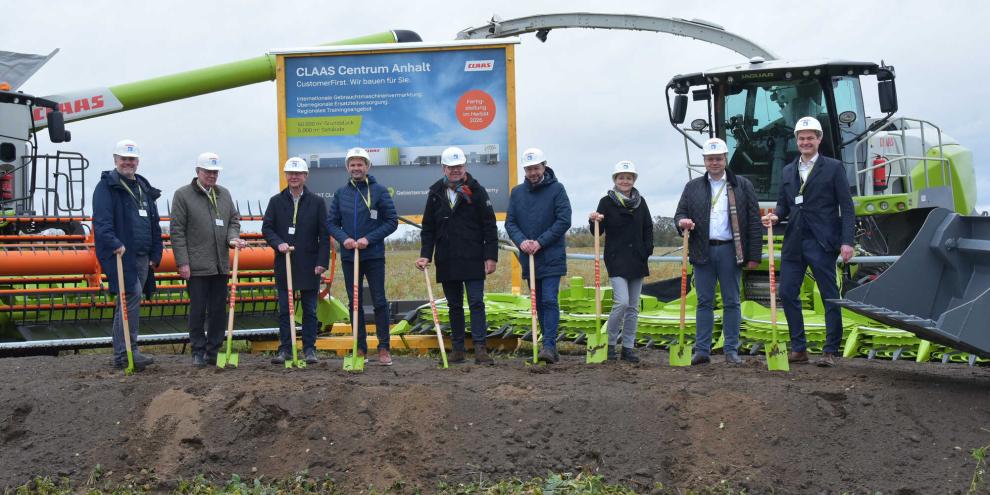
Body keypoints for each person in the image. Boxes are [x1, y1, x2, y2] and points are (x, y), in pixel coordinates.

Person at [762, 117, 855, 368]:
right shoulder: (787, 170)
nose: (805, 142)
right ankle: (799, 348)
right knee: (787, 293)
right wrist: (776, 215)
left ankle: (830, 350)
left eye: (810, 138)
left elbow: (846, 207)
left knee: (829, 296)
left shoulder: (834, 168)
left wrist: (847, 241)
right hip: (794, 241)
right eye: (802, 138)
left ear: (819, 140)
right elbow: (785, 203)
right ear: (797, 141)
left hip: (822, 241)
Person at [674, 138, 763, 365]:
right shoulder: (692, 187)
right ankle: (702, 350)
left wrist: (754, 255)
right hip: (702, 250)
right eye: (710, 159)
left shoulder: (743, 185)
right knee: (704, 301)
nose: (714, 162)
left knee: (731, 301)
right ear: (704, 161)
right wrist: (682, 222)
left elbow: (754, 222)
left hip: (730, 251)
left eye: (718, 158)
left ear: (725, 159)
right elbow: (680, 214)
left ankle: (731, 350)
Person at [415, 146, 498, 365]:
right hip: (447, 258)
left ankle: (480, 349)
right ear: (444, 168)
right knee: (454, 306)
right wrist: (426, 255)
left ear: (465, 167)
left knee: (476, 302)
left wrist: (491, 256)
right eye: (451, 167)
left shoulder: (477, 190)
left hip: (473, 257)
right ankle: (458, 349)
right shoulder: (435, 193)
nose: (455, 171)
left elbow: (489, 225)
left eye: (459, 166)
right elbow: (428, 228)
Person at [169, 152, 246, 367]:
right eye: (208, 172)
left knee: (218, 309)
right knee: (198, 309)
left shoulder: (224, 194)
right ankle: (197, 350)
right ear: (198, 172)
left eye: (215, 172)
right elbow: (176, 231)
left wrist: (233, 238)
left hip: (220, 263)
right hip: (196, 265)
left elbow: (233, 220)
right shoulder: (183, 195)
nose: (212, 176)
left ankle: (214, 350)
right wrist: (182, 262)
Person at [92, 139, 163, 371]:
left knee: (129, 303)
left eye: (132, 159)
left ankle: (126, 352)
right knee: (129, 300)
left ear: (138, 161)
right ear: (115, 160)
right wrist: (115, 243)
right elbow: (101, 223)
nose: (128, 162)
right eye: (124, 158)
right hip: (121, 255)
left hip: (143, 255)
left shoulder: (143, 186)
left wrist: (156, 252)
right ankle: (126, 353)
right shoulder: (107, 187)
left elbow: (153, 222)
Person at [328, 147, 398, 365]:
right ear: (347, 168)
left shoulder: (379, 191)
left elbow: (391, 221)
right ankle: (360, 349)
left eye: (360, 164)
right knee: (354, 303)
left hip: (374, 255)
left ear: (367, 167)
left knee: (378, 301)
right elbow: (331, 223)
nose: (356, 168)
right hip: (351, 257)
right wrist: (344, 239)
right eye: (352, 164)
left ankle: (384, 348)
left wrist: (370, 239)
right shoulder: (341, 193)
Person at [505, 147, 572, 364]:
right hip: (529, 257)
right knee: (538, 303)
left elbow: (564, 220)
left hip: (551, 255)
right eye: (529, 169)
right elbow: (510, 222)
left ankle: (550, 345)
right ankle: (546, 343)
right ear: (524, 170)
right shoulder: (517, 193)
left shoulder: (557, 189)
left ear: (544, 166)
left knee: (549, 299)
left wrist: (540, 242)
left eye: (536, 167)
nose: (533, 172)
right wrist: (522, 241)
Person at [262, 157, 330, 365]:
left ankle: (309, 349)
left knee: (309, 310)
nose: (294, 177)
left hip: (310, 265)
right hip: (285, 264)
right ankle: (286, 349)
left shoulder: (317, 202)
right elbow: (267, 229)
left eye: (298, 173)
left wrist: (322, 262)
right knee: (285, 310)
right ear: (285, 176)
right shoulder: (275, 201)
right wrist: (278, 243)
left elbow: (324, 235)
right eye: (290, 173)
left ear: (305, 176)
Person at [588, 160, 654, 363]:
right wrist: (594, 221)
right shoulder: (606, 202)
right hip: (616, 258)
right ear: (615, 180)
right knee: (622, 302)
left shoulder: (641, 202)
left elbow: (648, 228)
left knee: (633, 306)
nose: (625, 181)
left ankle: (627, 347)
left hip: (637, 259)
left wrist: (646, 251)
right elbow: (596, 232)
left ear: (634, 180)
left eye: (628, 177)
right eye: (621, 177)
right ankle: (609, 344)